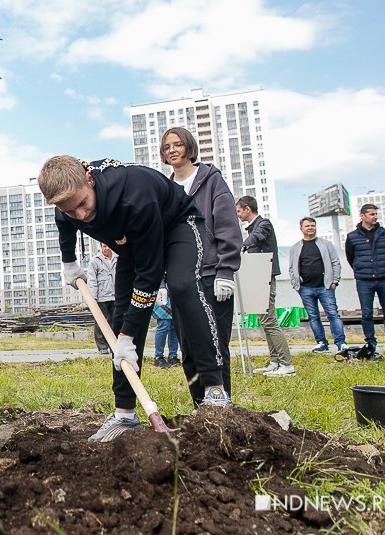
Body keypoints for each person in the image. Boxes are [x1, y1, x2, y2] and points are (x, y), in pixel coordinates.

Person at [39, 156, 231, 444]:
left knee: (182, 286)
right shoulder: (67, 204)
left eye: (83, 204)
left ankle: (215, 392)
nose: (80, 215)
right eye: (70, 210)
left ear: (89, 180)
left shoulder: (134, 195)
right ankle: (125, 414)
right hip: (130, 241)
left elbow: (149, 275)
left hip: (177, 224)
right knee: (121, 320)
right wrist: (69, 261)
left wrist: (128, 336)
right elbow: (64, 221)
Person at [161, 127, 241, 386]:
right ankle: (200, 408)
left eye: (177, 144)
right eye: (166, 147)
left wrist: (225, 270)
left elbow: (228, 225)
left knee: (215, 346)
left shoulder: (211, 180)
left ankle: (221, 405)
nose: (172, 150)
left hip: (210, 277)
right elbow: (161, 237)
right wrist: (163, 281)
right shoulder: (165, 189)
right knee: (189, 348)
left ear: (189, 147)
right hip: (181, 281)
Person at [236, 196, 294, 376]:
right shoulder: (254, 226)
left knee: (269, 320)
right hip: (258, 277)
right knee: (264, 320)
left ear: (247, 209)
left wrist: (241, 246)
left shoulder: (263, 224)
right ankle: (275, 360)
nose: (237, 215)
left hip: (265, 277)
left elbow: (257, 237)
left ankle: (287, 364)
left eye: (239, 211)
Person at [345, 203, 385, 358]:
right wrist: (362, 269)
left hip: (384, 278)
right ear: (362, 216)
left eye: (375, 214)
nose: (375, 217)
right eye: (372, 214)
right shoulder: (352, 237)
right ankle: (371, 343)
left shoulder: (384, 233)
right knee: (366, 313)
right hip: (364, 280)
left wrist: (383, 268)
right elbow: (351, 258)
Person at [289, 217, 346, 354]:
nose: (310, 228)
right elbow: (292, 268)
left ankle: (341, 343)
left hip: (325, 287)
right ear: (301, 229)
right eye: (307, 226)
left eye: (313, 225)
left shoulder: (326, 244)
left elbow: (335, 262)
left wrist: (335, 281)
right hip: (305, 288)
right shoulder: (295, 248)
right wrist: (296, 285)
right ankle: (321, 343)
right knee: (313, 316)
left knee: (333, 314)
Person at [86, 242, 117, 354]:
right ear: (101, 247)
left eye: (108, 245)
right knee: (101, 322)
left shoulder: (118, 258)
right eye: (104, 246)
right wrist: (93, 298)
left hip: (115, 296)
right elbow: (92, 280)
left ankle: (114, 345)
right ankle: (102, 347)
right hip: (101, 297)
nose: (106, 248)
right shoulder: (95, 260)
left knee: (115, 321)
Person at [152, 292, 179, 368]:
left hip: (176, 293)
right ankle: (158, 357)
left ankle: (173, 356)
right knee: (164, 325)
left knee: (175, 327)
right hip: (163, 294)